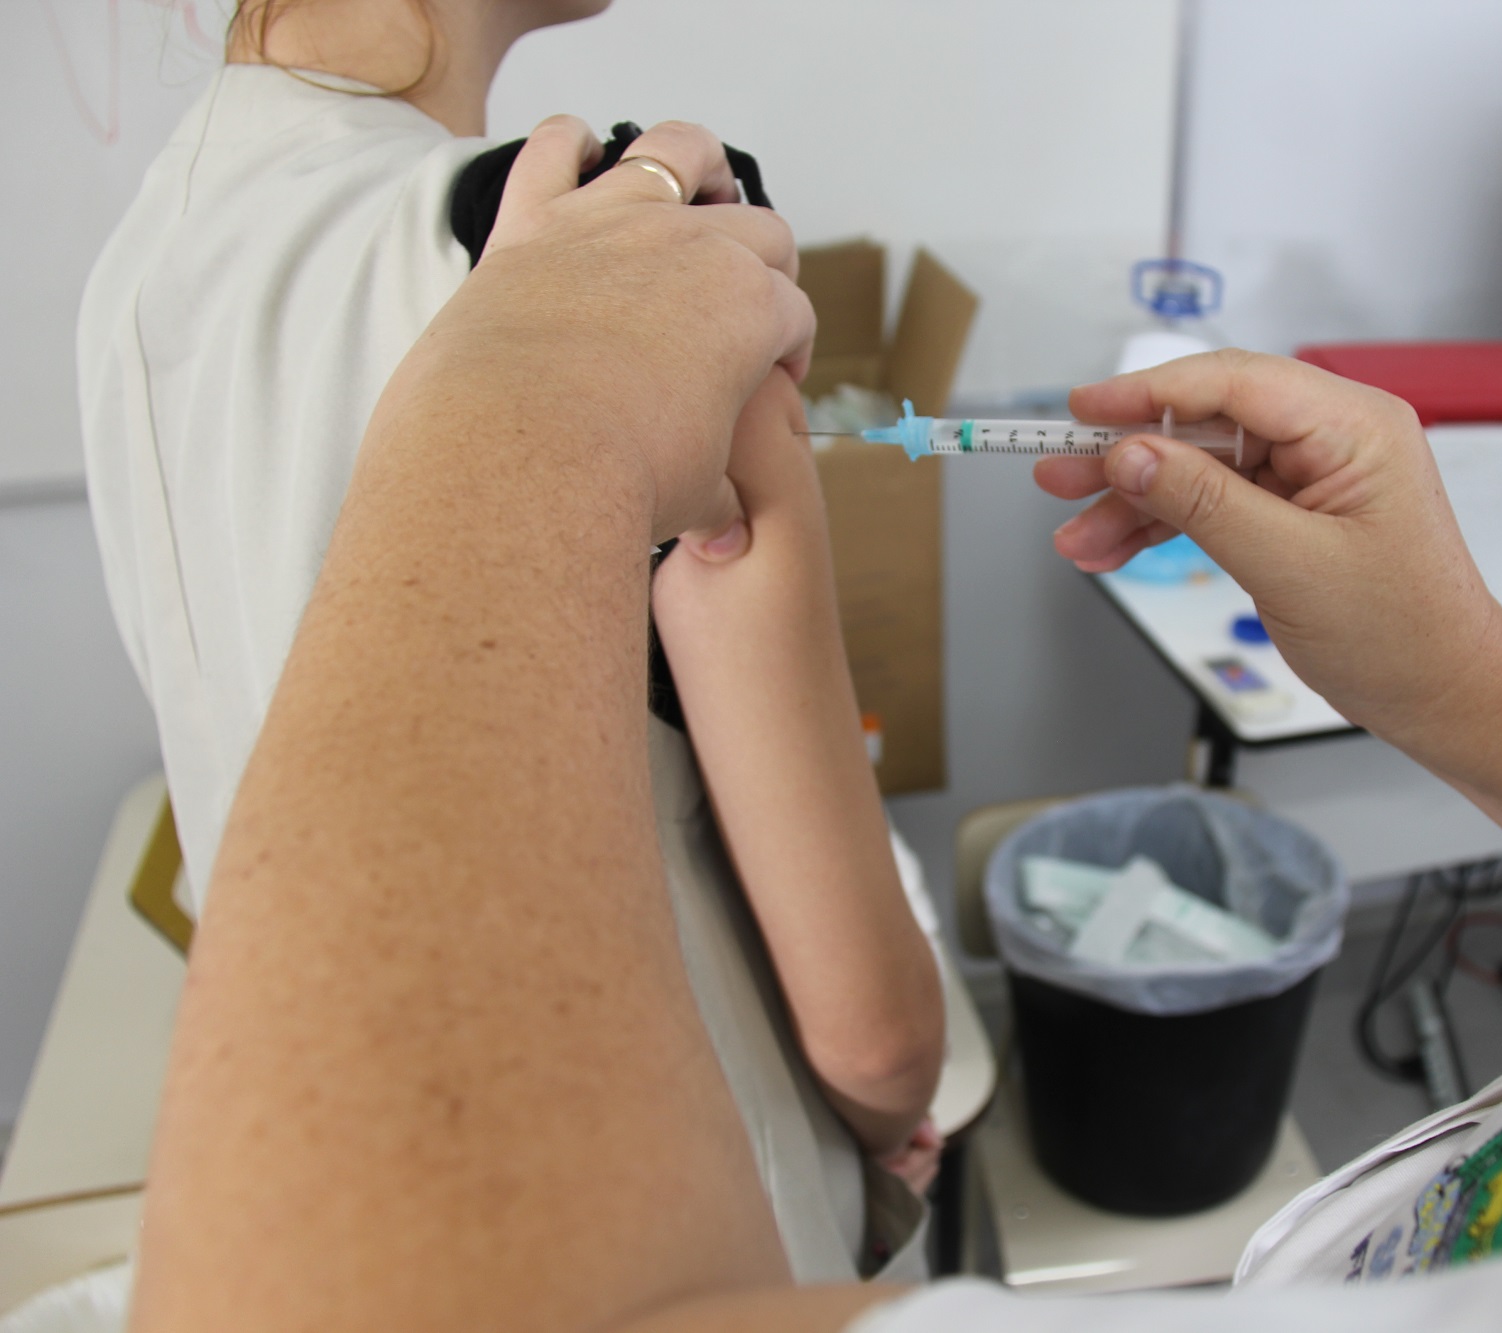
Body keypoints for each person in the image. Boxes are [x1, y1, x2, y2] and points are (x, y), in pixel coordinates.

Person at [118, 99, 1502, 1330]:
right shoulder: (627, 225)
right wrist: (1473, 679)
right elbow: (874, 1031)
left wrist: (519, 413)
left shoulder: (170, 252)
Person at [77, 0, 942, 1282]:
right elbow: (874, 1035)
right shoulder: (629, 243)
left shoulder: (142, 263)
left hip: (338, 1179)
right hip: (680, 1205)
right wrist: (886, 1127)